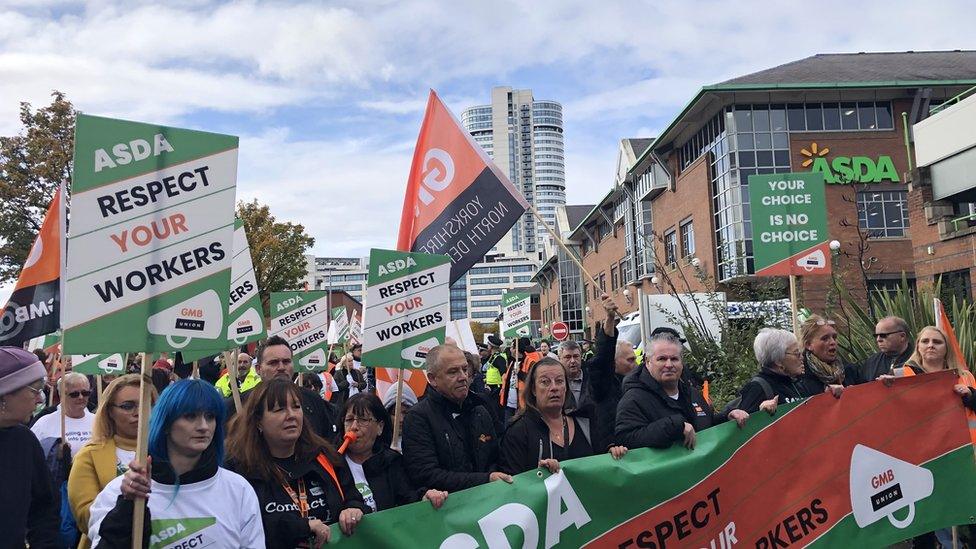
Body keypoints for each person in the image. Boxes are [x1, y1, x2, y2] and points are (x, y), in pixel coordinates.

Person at [88, 379, 265, 547]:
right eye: (190, 416)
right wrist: (127, 509)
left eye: (210, 416)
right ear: (165, 423)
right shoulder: (118, 492)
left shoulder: (238, 489)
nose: (203, 426)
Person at [226, 379, 366, 548]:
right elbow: (240, 528)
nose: (291, 415)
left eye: (296, 407)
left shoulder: (325, 457)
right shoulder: (238, 470)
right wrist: (301, 527)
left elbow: (353, 499)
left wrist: (353, 509)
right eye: (279, 409)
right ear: (258, 421)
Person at [402, 345, 511, 492]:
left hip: (490, 503)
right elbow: (425, 474)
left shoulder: (480, 410)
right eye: (453, 372)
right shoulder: (418, 418)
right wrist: (485, 480)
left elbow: (498, 455)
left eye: (465, 369)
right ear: (432, 379)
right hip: (448, 510)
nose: (462, 377)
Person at [67, 374, 158, 549]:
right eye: (128, 406)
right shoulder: (89, 456)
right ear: (109, 411)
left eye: (147, 404)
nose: (139, 412)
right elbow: (86, 517)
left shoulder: (170, 452)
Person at [615, 333, 750, 450]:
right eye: (661, 359)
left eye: (674, 359)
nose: (669, 365)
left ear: (681, 362)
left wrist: (726, 417)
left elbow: (705, 426)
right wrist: (675, 427)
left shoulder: (692, 394)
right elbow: (626, 439)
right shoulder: (633, 399)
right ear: (648, 362)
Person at [498, 357, 627, 475]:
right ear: (533, 389)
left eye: (559, 381)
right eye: (545, 382)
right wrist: (536, 475)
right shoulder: (518, 431)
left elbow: (600, 466)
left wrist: (612, 453)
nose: (554, 388)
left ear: (566, 387)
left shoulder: (585, 423)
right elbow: (512, 486)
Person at [340, 392, 448, 511]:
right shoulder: (332, 464)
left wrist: (424, 497)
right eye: (349, 420)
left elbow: (407, 497)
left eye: (363, 419)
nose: (354, 426)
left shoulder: (391, 461)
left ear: (380, 427)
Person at [0, 347, 60, 548]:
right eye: (35, 389)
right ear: (4, 396)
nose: (41, 398)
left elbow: (45, 506)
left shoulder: (24, 441)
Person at [226, 335, 339, 441]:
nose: (281, 367)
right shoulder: (239, 404)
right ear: (258, 369)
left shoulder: (312, 400)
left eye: (286, 361)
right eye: (273, 363)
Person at [730, 328, 809, 414]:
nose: (802, 357)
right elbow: (746, 423)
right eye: (797, 353)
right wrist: (761, 413)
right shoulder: (758, 388)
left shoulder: (795, 383)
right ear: (778, 361)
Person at [31, 371, 96, 459]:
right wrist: (54, 454)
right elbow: (31, 454)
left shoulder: (98, 421)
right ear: (62, 395)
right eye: (74, 394)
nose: (81, 397)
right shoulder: (44, 423)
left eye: (85, 393)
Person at [797, 314, 851, 397]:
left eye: (834, 337)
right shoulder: (799, 376)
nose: (833, 342)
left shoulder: (848, 370)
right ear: (808, 345)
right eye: (825, 338)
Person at [854, 316, 913, 384]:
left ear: (902, 336)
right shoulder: (871, 363)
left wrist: (895, 376)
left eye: (883, 335)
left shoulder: (919, 359)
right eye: (876, 336)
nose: (878, 339)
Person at [499, 337, 542, 425]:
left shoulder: (530, 363)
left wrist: (520, 373)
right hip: (509, 403)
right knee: (507, 429)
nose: (510, 349)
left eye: (511, 347)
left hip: (522, 405)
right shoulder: (512, 362)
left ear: (516, 349)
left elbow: (534, 381)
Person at [382, 383, 418, 450]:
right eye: (395, 414)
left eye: (405, 413)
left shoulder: (424, 440)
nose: (401, 419)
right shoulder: (376, 443)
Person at [483, 335, 507, 405]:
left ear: (491, 346)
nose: (487, 345)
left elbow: (504, 374)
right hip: (491, 387)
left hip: (497, 388)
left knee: (496, 409)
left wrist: (503, 389)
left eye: (488, 344)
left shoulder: (499, 358)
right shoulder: (493, 356)